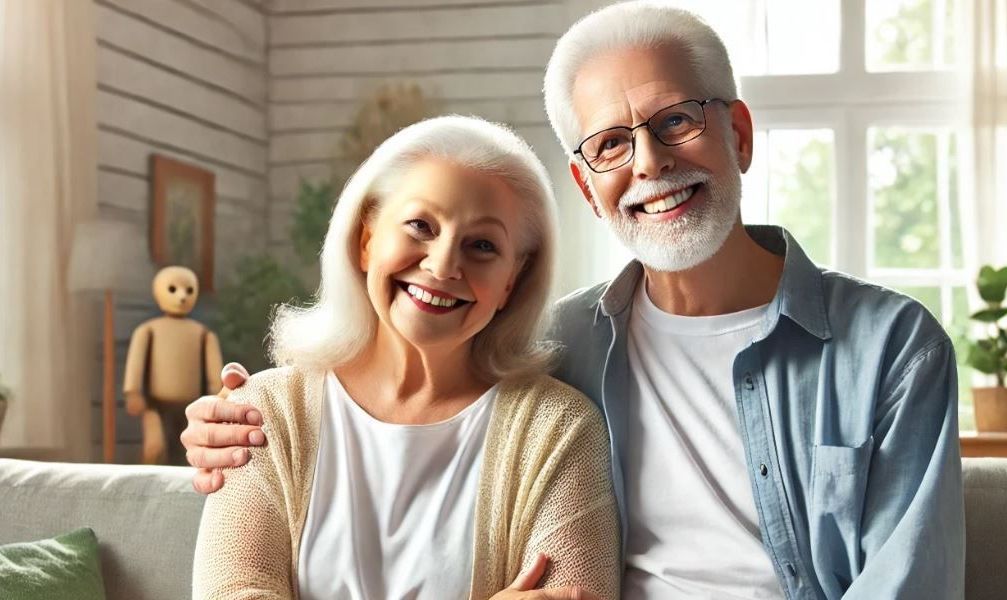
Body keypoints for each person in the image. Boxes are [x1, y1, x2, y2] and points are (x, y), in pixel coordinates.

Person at [183, 3, 965, 598]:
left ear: (741, 136)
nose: (651, 162)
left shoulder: (892, 346)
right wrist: (223, 424)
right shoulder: (558, 349)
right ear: (590, 190)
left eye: (677, 121)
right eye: (612, 144)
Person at [189, 115, 620, 600]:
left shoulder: (558, 431)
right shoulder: (264, 414)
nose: (442, 265)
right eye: (420, 226)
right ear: (366, 239)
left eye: (482, 245)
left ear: (511, 282)